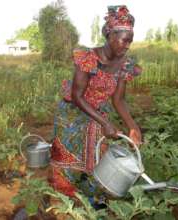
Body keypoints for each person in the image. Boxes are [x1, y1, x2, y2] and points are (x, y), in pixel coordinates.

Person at [49, 5, 142, 208]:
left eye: (130, 42)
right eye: (124, 40)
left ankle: (91, 202)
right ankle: (62, 204)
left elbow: (119, 100)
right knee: (67, 161)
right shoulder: (89, 58)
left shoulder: (125, 64)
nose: (127, 46)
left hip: (99, 114)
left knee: (98, 159)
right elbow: (77, 96)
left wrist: (132, 125)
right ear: (109, 35)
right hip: (73, 115)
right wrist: (105, 122)